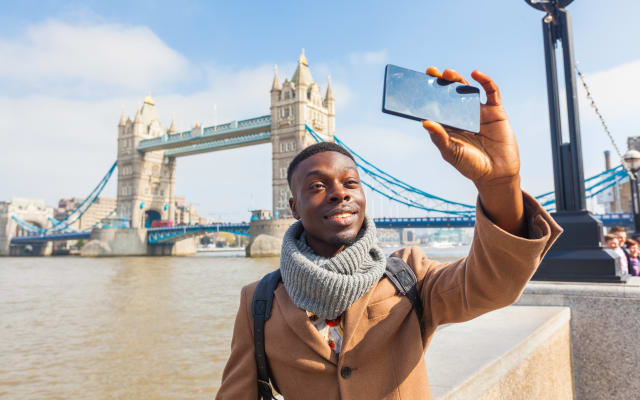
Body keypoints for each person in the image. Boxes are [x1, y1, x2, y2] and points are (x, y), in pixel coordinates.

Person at [216, 67, 562, 400]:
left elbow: (494, 287)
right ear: (293, 207)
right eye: (318, 186)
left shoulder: (409, 275)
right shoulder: (259, 301)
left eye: (351, 182)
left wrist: (499, 185)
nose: (340, 193)